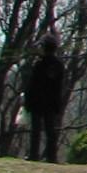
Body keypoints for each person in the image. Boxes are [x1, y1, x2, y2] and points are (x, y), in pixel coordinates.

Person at [22, 33, 69, 161]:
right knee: (50, 130)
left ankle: (33, 154)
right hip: (52, 101)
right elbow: (59, 85)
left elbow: (33, 84)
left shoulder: (39, 64)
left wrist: (27, 100)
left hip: (37, 100)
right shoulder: (59, 64)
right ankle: (51, 156)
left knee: (36, 130)